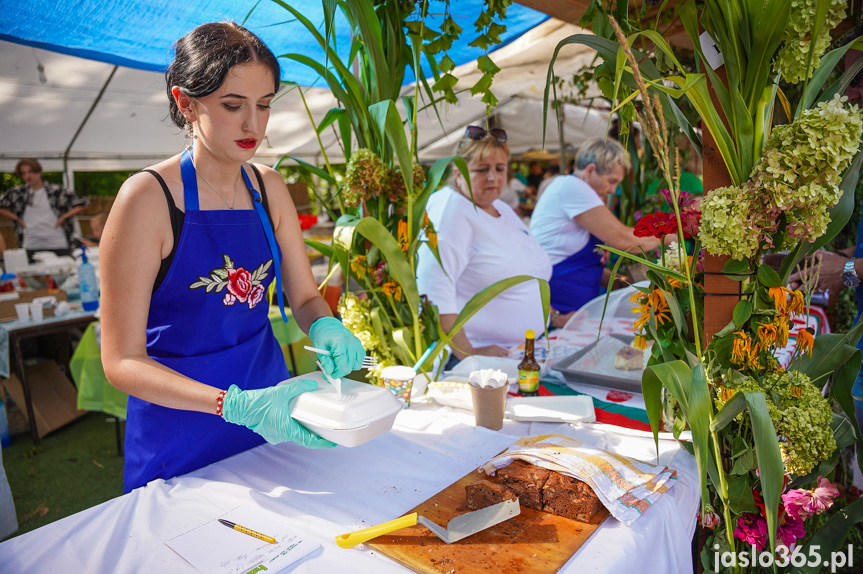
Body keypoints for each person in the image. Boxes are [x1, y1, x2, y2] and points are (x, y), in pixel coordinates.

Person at [99, 22, 364, 493]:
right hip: (179, 430)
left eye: (264, 106)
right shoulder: (147, 198)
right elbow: (121, 360)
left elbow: (303, 296)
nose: (254, 126)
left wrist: (324, 323)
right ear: (186, 103)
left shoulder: (269, 187)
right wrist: (234, 405)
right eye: (232, 105)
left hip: (274, 419)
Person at [417, 126, 552, 362]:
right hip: (482, 359)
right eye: (481, 170)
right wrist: (469, 354)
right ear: (458, 173)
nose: (493, 177)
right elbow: (433, 294)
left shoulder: (501, 208)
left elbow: (529, 270)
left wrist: (552, 316)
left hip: (524, 349)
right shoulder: (452, 211)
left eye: (500, 169)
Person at [530, 138, 669, 326]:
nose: (612, 190)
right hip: (559, 311)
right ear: (590, 170)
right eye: (611, 181)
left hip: (575, 311)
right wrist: (670, 234)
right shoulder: (572, 187)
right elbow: (625, 240)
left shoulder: (571, 189)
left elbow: (583, 266)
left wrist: (618, 281)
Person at [0, 158, 89, 259]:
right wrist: (17, 219)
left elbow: (83, 203)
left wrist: (63, 218)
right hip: (30, 242)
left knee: (64, 269)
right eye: (23, 173)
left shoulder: (56, 190)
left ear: (39, 171)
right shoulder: (18, 192)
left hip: (57, 240)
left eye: (31, 172)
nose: (27, 176)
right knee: (31, 272)